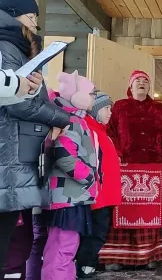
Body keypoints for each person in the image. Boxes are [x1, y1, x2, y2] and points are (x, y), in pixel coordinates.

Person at [0, 0, 70, 273]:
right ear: (14, 15)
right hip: (9, 152)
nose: (35, 26)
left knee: (14, 238)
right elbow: (17, 103)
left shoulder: (14, 46)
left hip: (15, 152)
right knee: (8, 238)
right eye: (31, 18)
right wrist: (61, 117)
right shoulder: (6, 47)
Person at [99, 70, 162, 270]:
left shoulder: (158, 108)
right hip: (125, 166)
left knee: (149, 213)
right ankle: (115, 257)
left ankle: (149, 257)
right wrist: (118, 153)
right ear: (131, 85)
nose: (142, 83)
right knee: (122, 212)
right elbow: (109, 132)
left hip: (151, 166)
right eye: (138, 80)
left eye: (146, 80)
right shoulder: (120, 106)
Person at [40, 71, 97, 280]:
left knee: (64, 248)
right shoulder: (70, 120)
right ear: (77, 96)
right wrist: (89, 177)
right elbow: (64, 155)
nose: (93, 97)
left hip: (67, 196)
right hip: (67, 197)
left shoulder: (69, 118)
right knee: (62, 249)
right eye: (91, 93)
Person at [75, 90, 121, 279]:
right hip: (97, 195)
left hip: (105, 194)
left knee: (99, 231)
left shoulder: (102, 132)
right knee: (95, 231)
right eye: (107, 108)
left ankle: (88, 264)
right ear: (95, 109)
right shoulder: (90, 131)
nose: (110, 113)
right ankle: (85, 266)